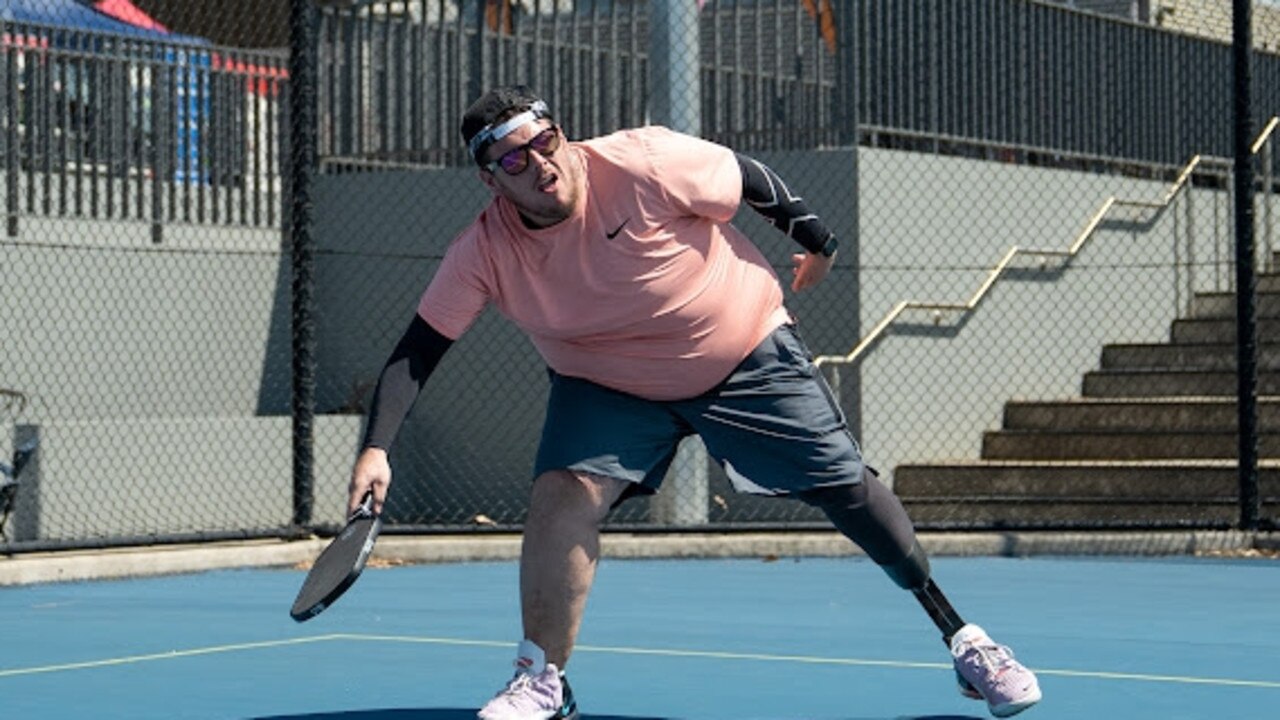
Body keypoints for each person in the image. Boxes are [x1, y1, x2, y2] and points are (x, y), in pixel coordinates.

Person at [346, 85, 1042, 720]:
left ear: (561, 134)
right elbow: (418, 350)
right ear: (489, 178)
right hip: (607, 385)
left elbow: (746, 178)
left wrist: (817, 240)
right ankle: (541, 678)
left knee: (849, 490)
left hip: (741, 352)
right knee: (561, 498)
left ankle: (968, 643)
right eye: (512, 160)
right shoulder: (483, 250)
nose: (538, 164)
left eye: (543, 142)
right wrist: (376, 449)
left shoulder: (645, 162)